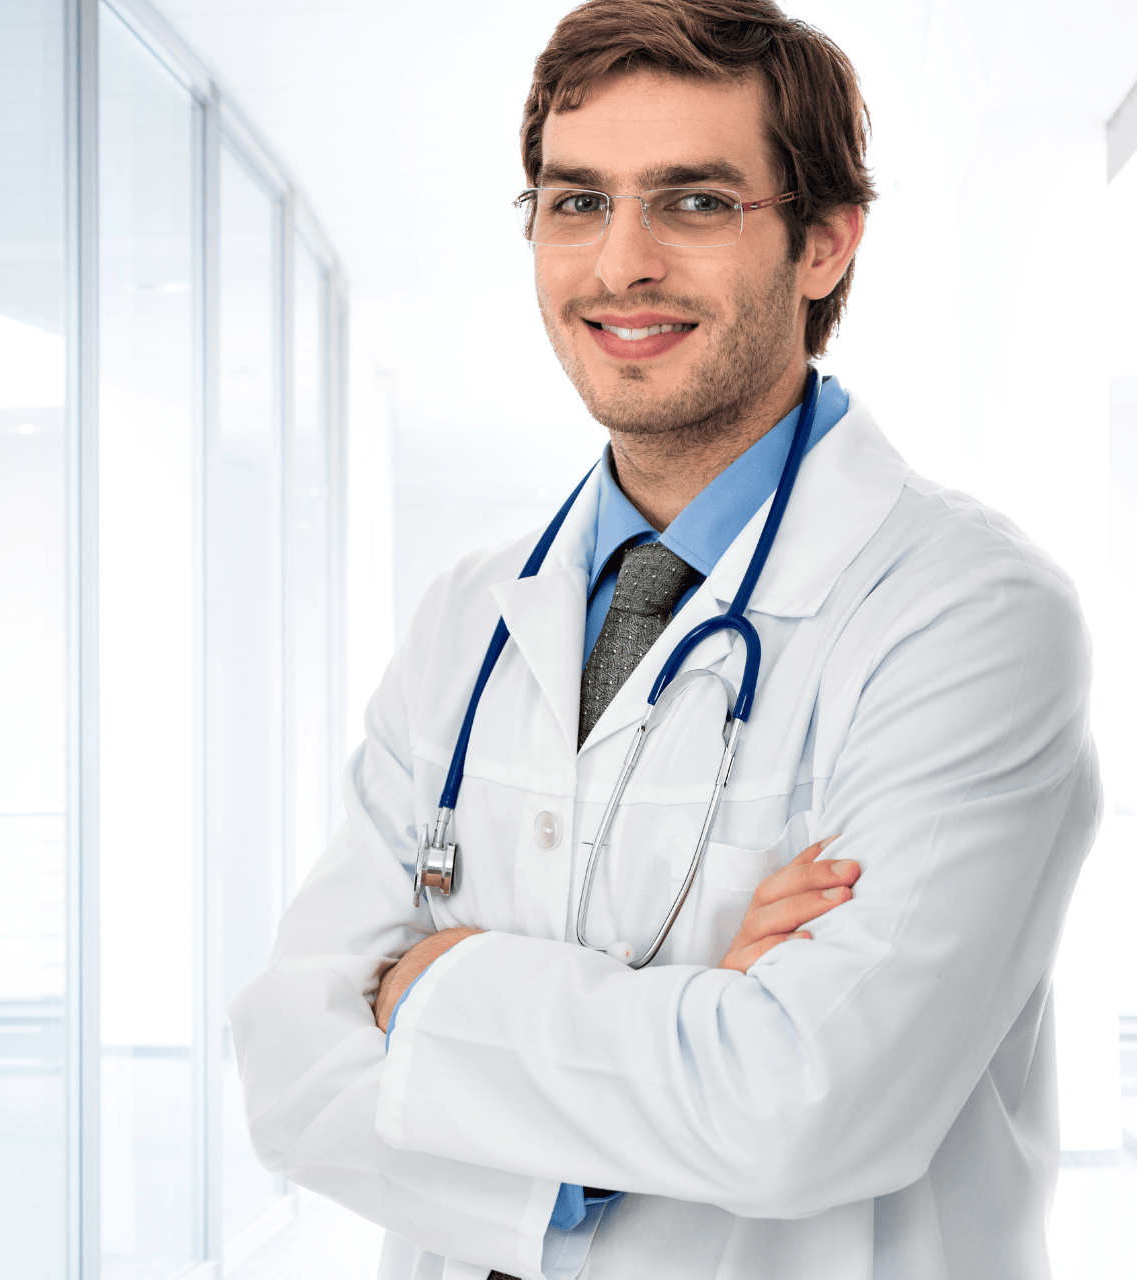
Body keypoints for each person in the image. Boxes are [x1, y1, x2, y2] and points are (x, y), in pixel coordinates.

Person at [225, 2, 1101, 1278]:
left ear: (824, 241)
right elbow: (290, 1065)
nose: (618, 262)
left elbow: (806, 1102)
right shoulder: (471, 615)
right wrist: (698, 1005)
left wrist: (435, 986)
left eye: (692, 202)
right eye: (574, 202)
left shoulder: (963, 612)